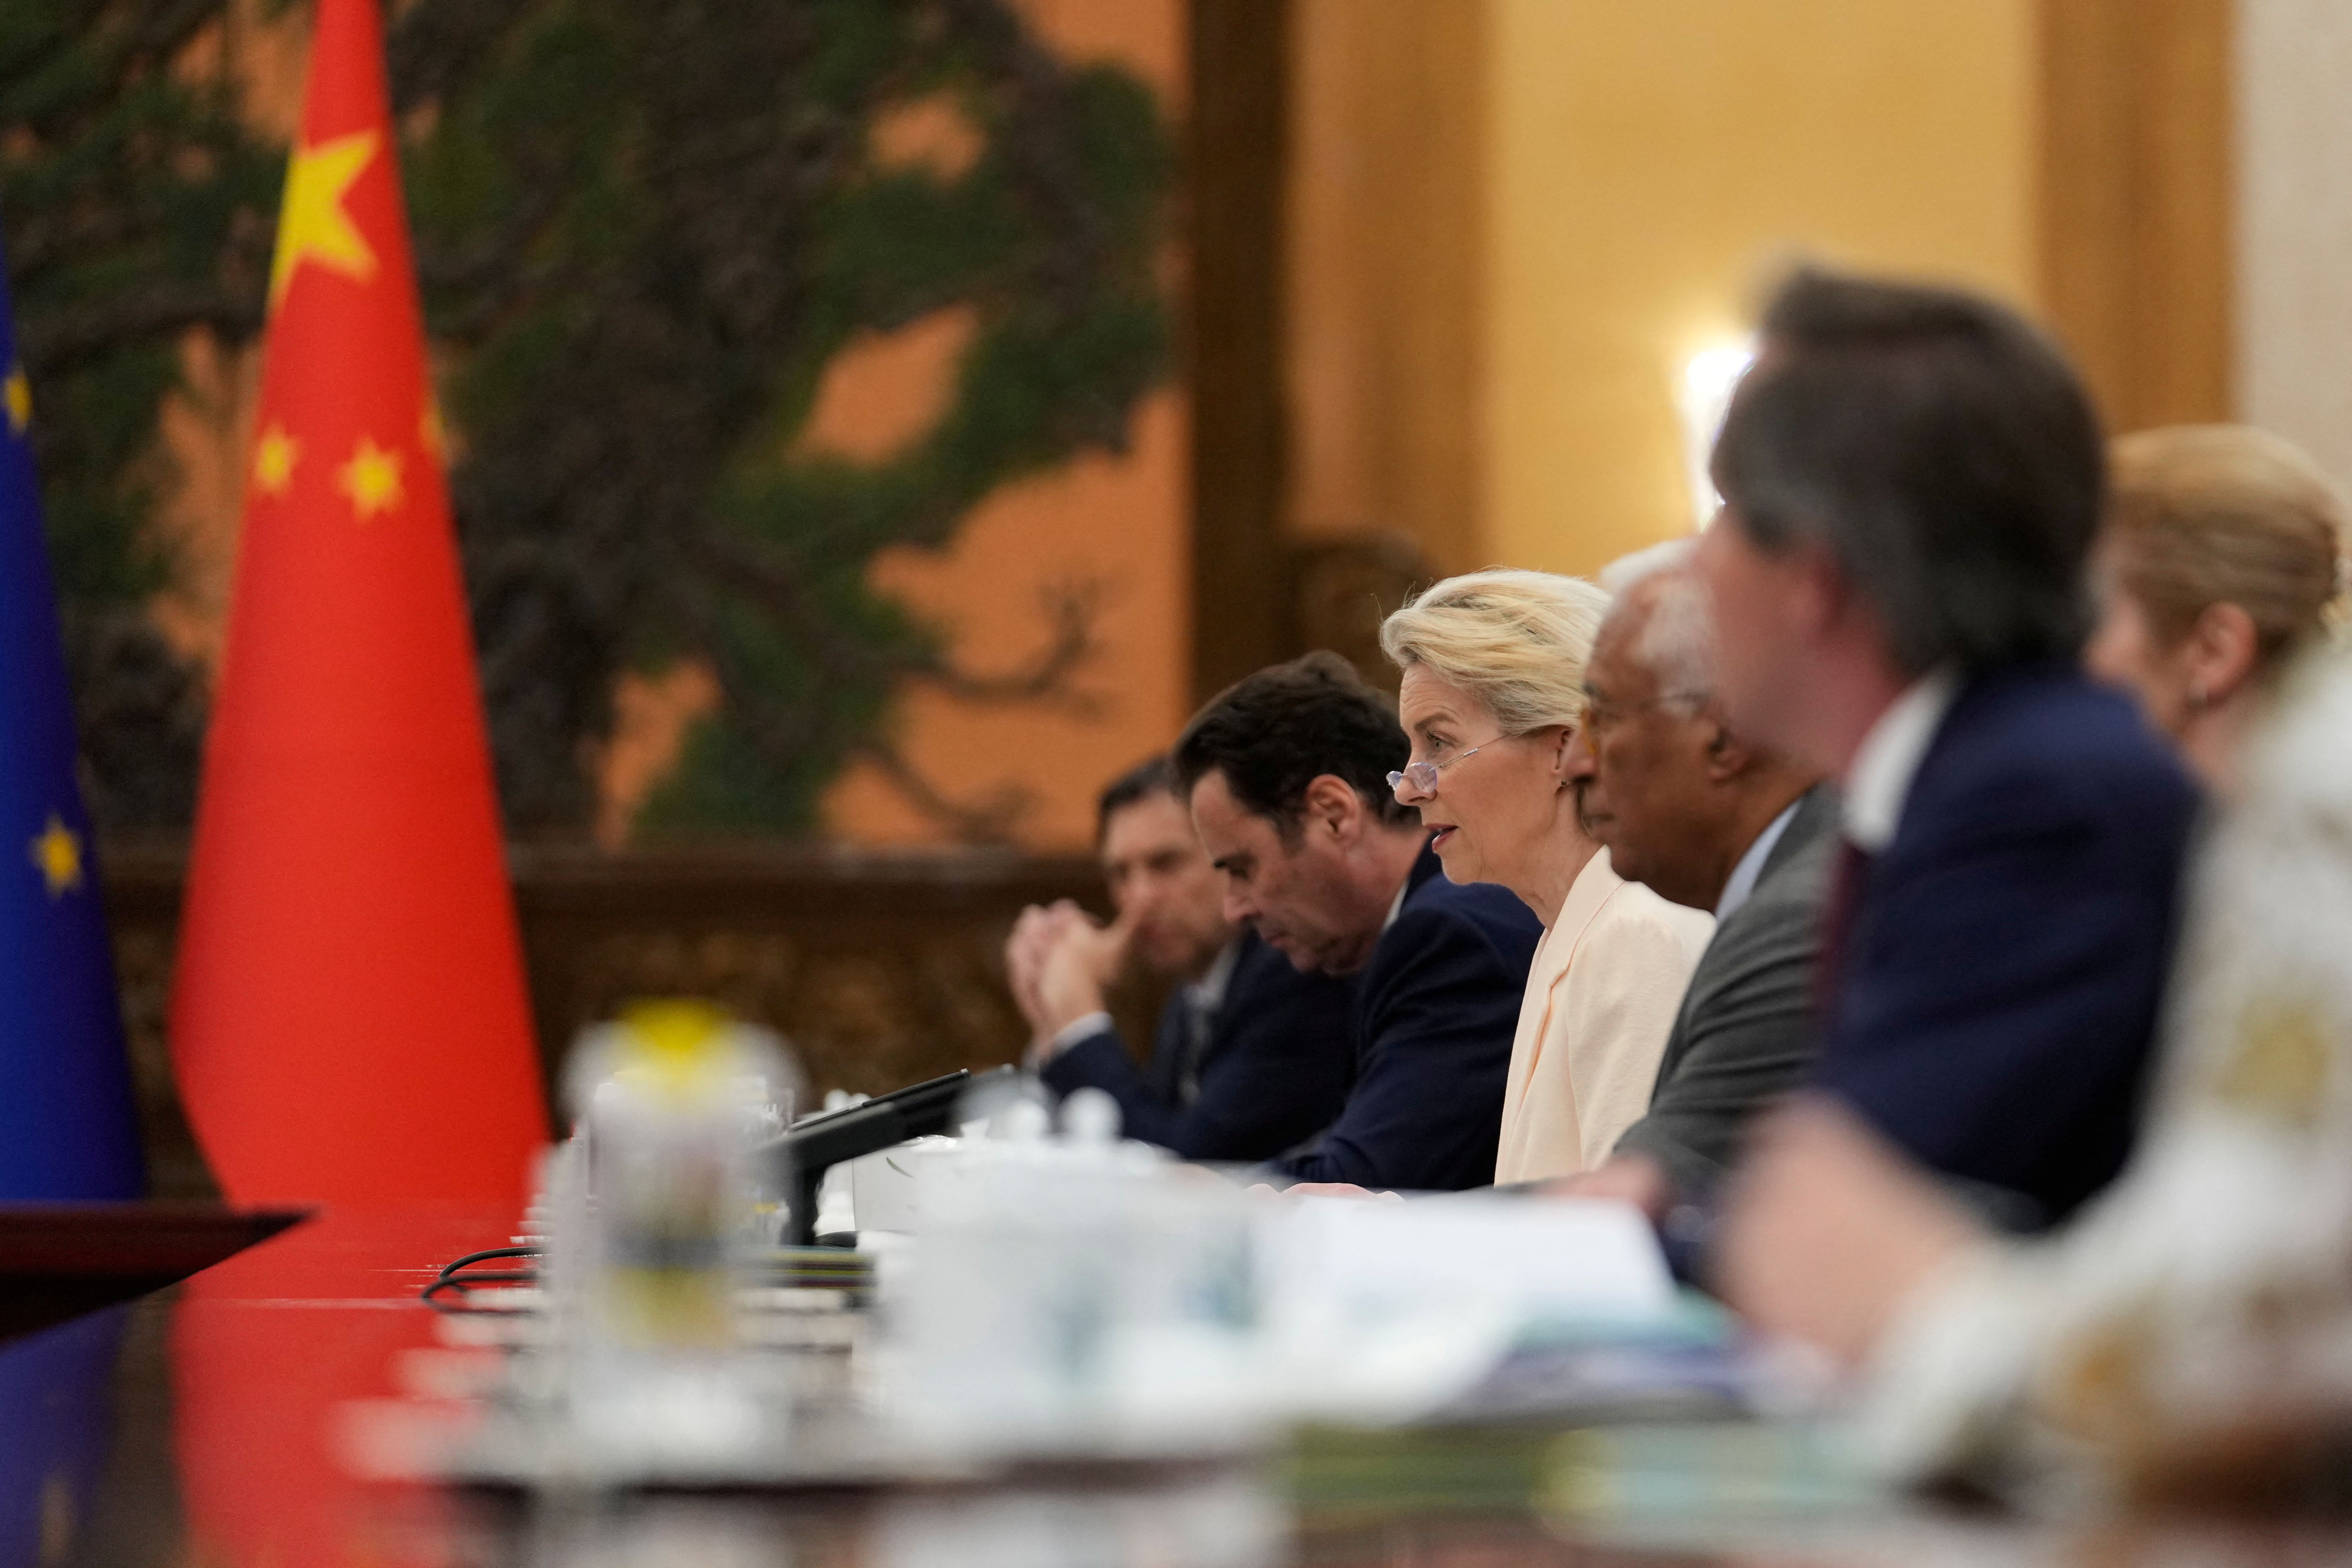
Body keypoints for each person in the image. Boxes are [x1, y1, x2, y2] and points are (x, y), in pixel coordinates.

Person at [1721, 427, 2351, 1501]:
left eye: (2079, 621)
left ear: (2211, 652)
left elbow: (2264, 1306)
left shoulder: (2313, 796)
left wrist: (1934, 1313)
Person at [1691, 265, 2201, 1233]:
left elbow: (1866, 1221)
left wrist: (1653, 1233)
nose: (1693, 566)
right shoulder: (1980, 766)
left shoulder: (2040, 803)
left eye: (1721, 520)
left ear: (1812, 572)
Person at [1378, 571, 1712, 1184]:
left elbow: (1623, 1242)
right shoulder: (1568, 933)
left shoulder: (1636, 934)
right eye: (1410, 749)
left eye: (1438, 743)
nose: (1408, 787)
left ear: (1563, 748)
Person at [1173, 652, 1541, 1191]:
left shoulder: (1449, 935)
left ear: (1333, 813)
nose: (1235, 907)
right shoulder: (1378, 940)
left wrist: (1172, 1200)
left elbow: (1357, 1185)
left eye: (1242, 867)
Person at [1552, 558, 1833, 1209]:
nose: (1574, 763)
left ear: (1725, 736)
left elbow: (1644, 1205)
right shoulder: (1781, 888)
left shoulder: (1792, 921)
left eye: (1600, 719)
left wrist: (1384, 1229)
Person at [1005, 756, 1358, 1161]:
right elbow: (1139, 1131)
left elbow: (1186, 1167)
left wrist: (1078, 1018)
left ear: (1229, 858)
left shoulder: (1292, 972)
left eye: (1165, 863)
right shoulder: (1196, 987)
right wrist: (1049, 1019)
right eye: (1121, 873)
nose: (1139, 897)